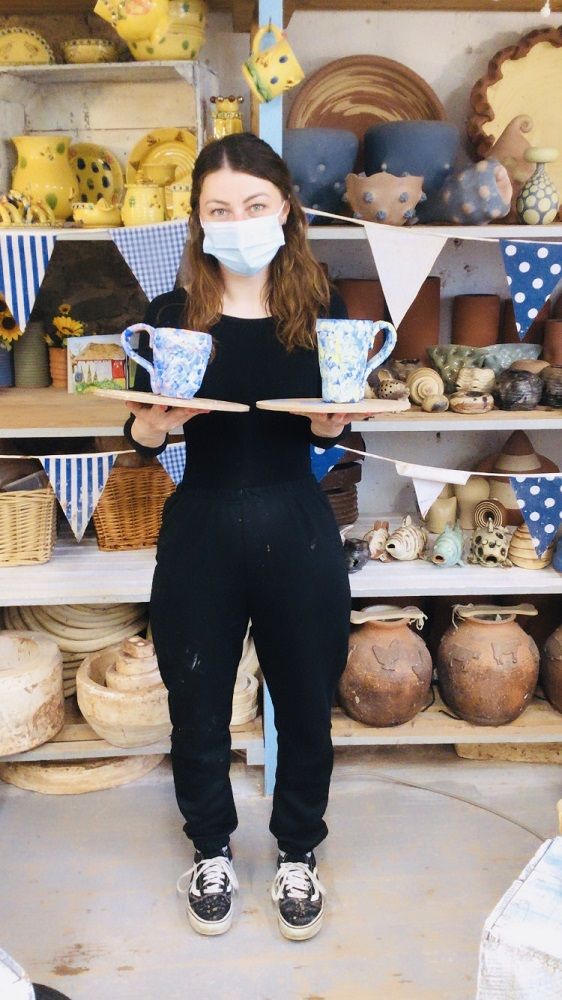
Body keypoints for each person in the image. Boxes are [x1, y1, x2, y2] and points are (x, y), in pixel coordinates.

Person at [123, 132, 354, 941]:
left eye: (253, 206)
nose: (238, 221)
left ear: (285, 210)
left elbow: (332, 425)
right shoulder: (169, 316)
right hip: (202, 522)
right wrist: (151, 426)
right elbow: (142, 438)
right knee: (196, 700)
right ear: (196, 219)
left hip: (298, 520)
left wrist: (334, 424)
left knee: (304, 701)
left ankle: (298, 852)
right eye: (219, 209)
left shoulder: (320, 310)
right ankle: (211, 847)